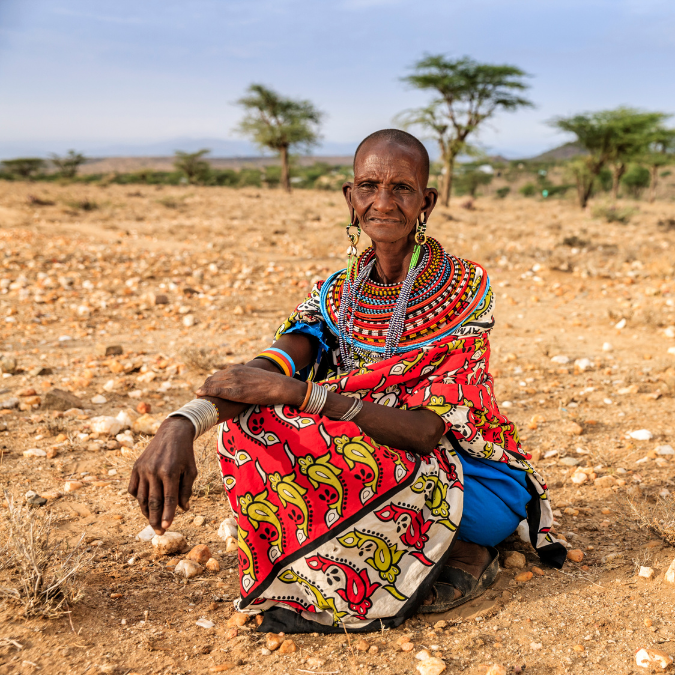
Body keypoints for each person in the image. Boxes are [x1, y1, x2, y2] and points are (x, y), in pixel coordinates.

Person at [129, 129, 565, 634]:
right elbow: (260, 376)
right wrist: (181, 424)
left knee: (308, 420)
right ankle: (355, 561)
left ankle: (469, 550)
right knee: (251, 425)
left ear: (427, 201)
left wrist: (302, 394)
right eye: (369, 185)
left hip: (469, 481)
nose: (383, 202)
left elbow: (427, 431)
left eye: (401, 188)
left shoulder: (464, 290)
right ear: (350, 197)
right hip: (381, 463)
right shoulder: (335, 295)